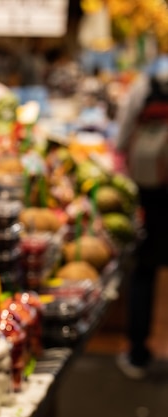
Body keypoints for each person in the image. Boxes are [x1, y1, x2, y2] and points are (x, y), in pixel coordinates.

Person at [115, 58, 168, 379]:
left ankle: (137, 354)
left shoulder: (146, 83)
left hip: (151, 192)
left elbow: (123, 133)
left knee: (144, 269)